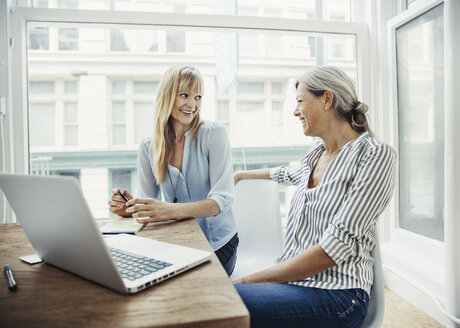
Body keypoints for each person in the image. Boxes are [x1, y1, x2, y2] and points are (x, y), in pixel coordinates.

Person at [232, 66, 396, 327]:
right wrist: (241, 175)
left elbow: (332, 250)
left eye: (300, 101)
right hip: (294, 285)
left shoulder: (374, 155)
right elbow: (286, 173)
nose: (295, 111)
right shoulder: (316, 153)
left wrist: (246, 281)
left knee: (222, 301)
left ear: (327, 99)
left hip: (338, 294)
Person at [108, 65, 238, 276]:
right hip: (178, 241)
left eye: (198, 97)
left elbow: (222, 200)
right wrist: (128, 210)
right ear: (167, 96)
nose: (192, 104)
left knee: (186, 283)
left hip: (218, 244)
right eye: (185, 95)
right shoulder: (148, 147)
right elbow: (148, 201)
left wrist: (170, 211)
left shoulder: (214, 135)